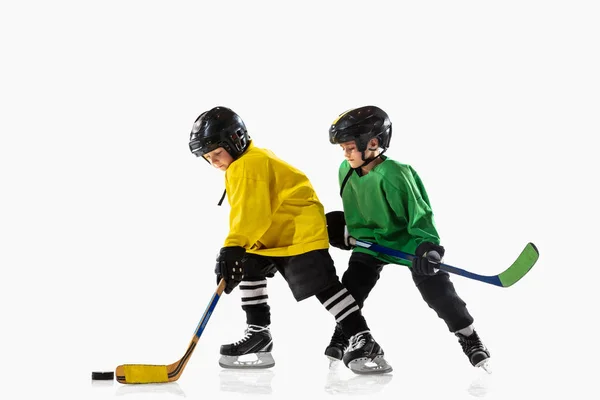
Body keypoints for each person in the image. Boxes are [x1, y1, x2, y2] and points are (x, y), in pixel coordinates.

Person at [188, 106, 392, 375]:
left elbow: (252, 212)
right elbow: (250, 215)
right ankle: (258, 334)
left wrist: (233, 245)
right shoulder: (241, 164)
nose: (214, 161)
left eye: (217, 153)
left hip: (298, 230)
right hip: (271, 234)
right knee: (248, 267)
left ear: (235, 141)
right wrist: (237, 249)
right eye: (208, 157)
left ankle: (363, 338)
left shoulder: (249, 164)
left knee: (324, 287)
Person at [324, 105, 491, 371]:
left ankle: (470, 337)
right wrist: (346, 231)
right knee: (351, 286)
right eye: (342, 148)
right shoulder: (345, 170)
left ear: (374, 143)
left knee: (437, 292)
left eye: (349, 147)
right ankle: (348, 332)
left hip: (407, 242)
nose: (345, 154)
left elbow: (419, 212)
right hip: (371, 243)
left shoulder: (396, 174)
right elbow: (359, 211)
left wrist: (428, 247)